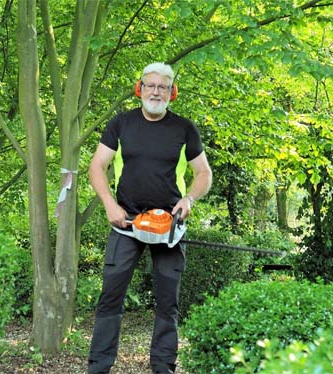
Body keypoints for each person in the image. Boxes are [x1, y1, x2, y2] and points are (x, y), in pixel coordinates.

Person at [87, 62, 212, 374]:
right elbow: (96, 166)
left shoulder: (184, 128)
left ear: (172, 93)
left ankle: (163, 367)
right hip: (125, 224)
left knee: (168, 303)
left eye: (163, 87)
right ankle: (98, 367)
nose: (156, 91)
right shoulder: (121, 124)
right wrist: (109, 204)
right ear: (140, 88)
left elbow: (203, 174)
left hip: (169, 226)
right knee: (110, 298)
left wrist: (189, 198)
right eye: (151, 85)